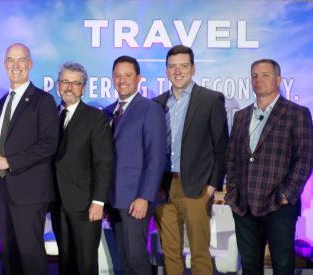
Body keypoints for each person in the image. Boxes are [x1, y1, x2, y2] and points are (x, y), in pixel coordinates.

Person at [0, 43, 59, 275]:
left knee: (30, 256)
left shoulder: (43, 100)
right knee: (9, 256)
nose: (16, 65)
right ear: (4, 65)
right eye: (11, 60)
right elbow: (6, 145)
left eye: (21, 60)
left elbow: (49, 143)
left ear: (30, 64)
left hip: (30, 192)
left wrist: (9, 161)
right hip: (3, 191)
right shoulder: (1, 103)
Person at [226, 59, 313, 275]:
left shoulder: (297, 113)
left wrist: (286, 194)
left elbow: (305, 158)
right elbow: (232, 158)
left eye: (265, 75)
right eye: (255, 75)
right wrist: (233, 193)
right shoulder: (241, 116)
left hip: (279, 206)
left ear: (278, 79)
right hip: (244, 206)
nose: (259, 80)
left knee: (282, 266)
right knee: (249, 266)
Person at [152, 45, 228, 275]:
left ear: (193, 68)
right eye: (172, 67)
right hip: (164, 188)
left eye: (183, 66)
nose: (178, 71)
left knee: (199, 252)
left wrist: (213, 185)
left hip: (196, 187)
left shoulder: (211, 100)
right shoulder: (157, 103)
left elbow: (221, 146)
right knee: (170, 253)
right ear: (166, 71)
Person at [102, 55, 166, 275]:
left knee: (137, 259)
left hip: (135, 199)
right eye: (118, 76)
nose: (122, 80)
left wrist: (144, 197)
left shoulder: (150, 109)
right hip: (113, 200)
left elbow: (155, 158)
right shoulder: (108, 112)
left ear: (138, 78)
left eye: (128, 75)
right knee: (124, 259)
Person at [51, 62, 114, 274]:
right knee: (65, 263)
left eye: (75, 83)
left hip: (86, 204)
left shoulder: (95, 118)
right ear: (58, 85)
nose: (69, 87)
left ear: (83, 88)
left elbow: (103, 162)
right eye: (65, 82)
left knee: (86, 264)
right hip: (57, 202)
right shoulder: (50, 115)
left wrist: (98, 201)